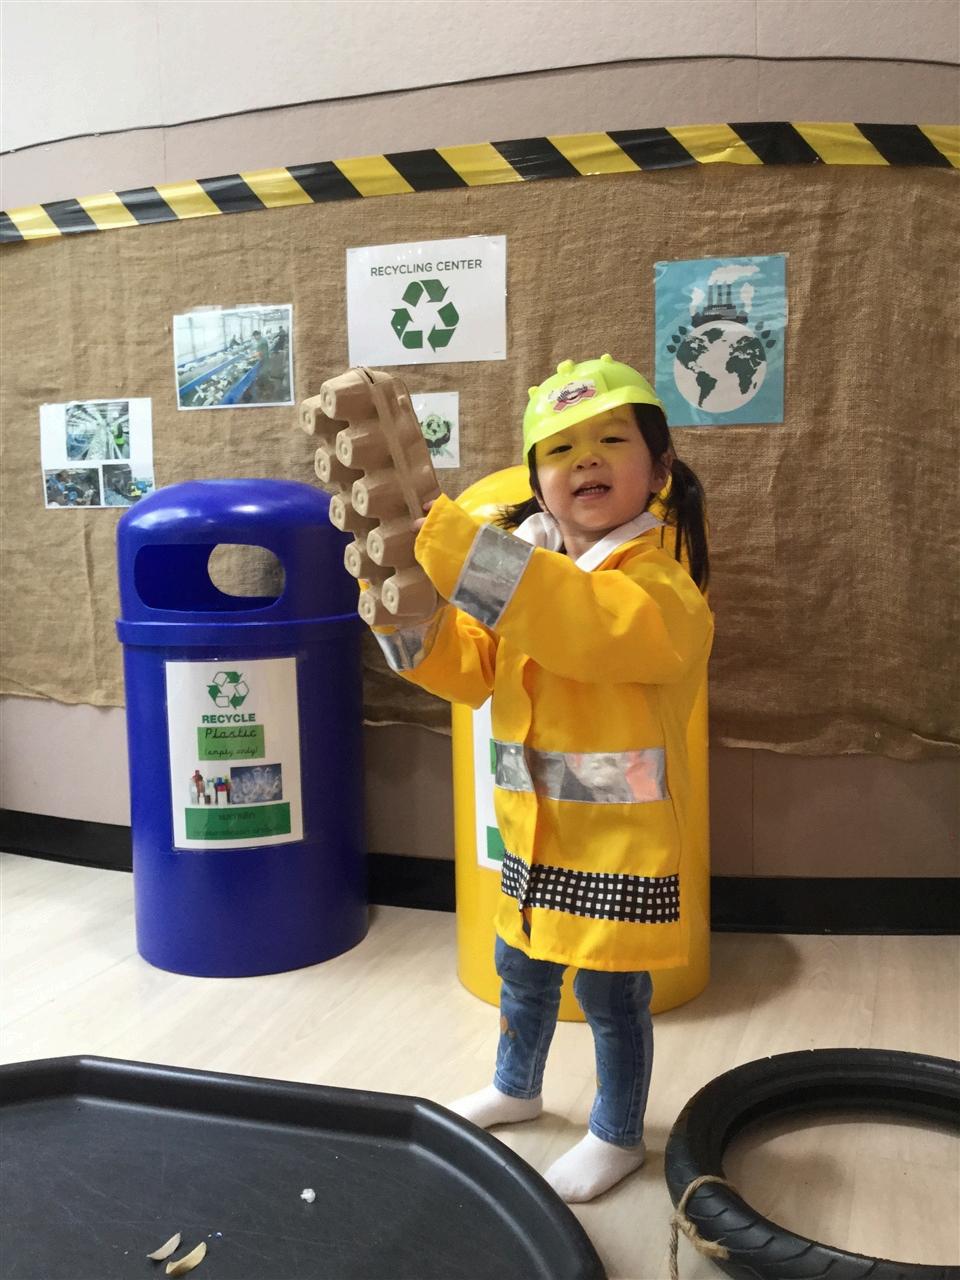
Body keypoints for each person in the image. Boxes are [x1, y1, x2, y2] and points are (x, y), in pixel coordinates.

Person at [370, 354, 713, 1202]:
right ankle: (516, 1088)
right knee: (520, 971)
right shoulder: (532, 575)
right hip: (532, 835)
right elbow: (471, 670)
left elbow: (580, 625)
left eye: (610, 440)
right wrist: (404, 622)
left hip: (618, 849)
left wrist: (465, 550)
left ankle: (617, 1134)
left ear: (660, 469)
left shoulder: (660, 591)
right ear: (538, 483)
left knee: (610, 995)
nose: (584, 459)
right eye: (559, 449)